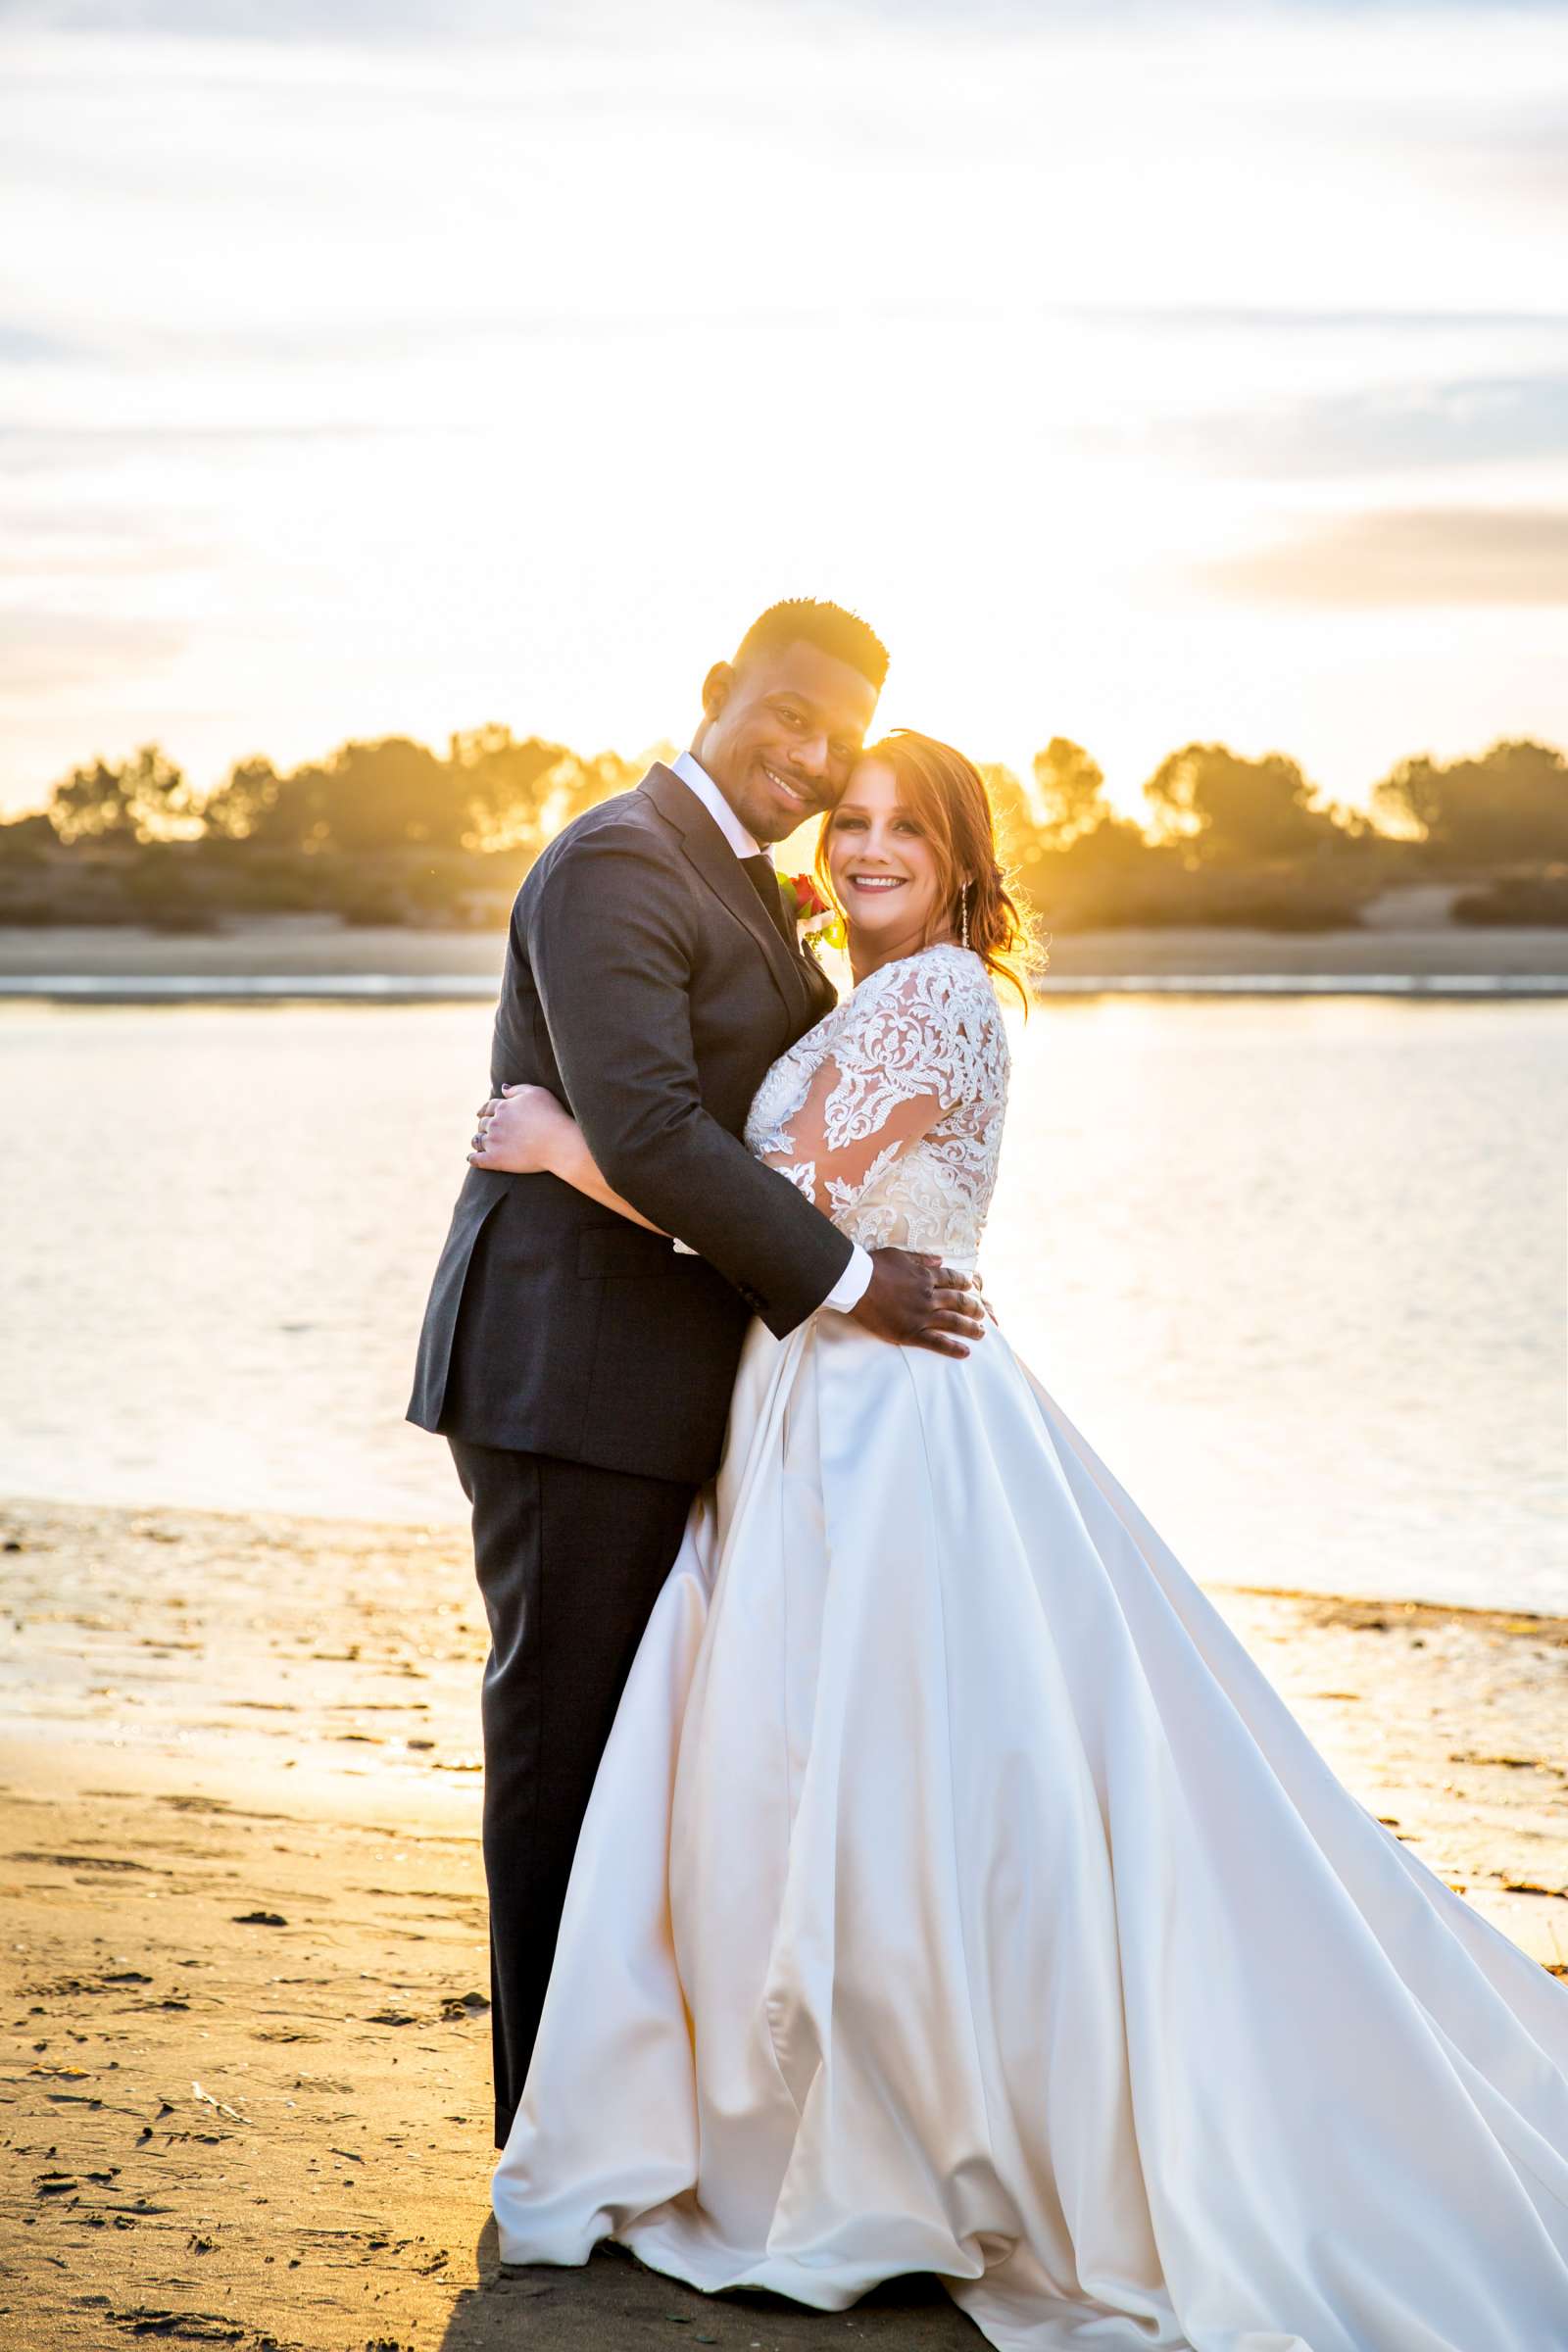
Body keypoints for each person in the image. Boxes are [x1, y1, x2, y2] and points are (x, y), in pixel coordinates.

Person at [469, 731, 1568, 2351]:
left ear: (969, 856)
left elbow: (774, 1197)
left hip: (883, 1424)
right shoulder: (873, 991)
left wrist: (570, 1151)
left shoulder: (941, 998)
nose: (866, 848)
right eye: (850, 822)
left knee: (885, 1773)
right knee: (835, 1769)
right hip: (812, 1407)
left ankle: (901, 2127)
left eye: (906, 828)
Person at [407, 602, 986, 2148]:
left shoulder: (739, 881)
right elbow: (658, 1133)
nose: (806, 758)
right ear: (717, 694)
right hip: (566, 1381)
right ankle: (542, 2123)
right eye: (785, 718)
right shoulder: (618, 862)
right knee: (563, 1750)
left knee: (648, 1755)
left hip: (680, 1388)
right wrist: (859, 1284)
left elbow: (772, 1130)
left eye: (838, 743)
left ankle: (631, 2097)